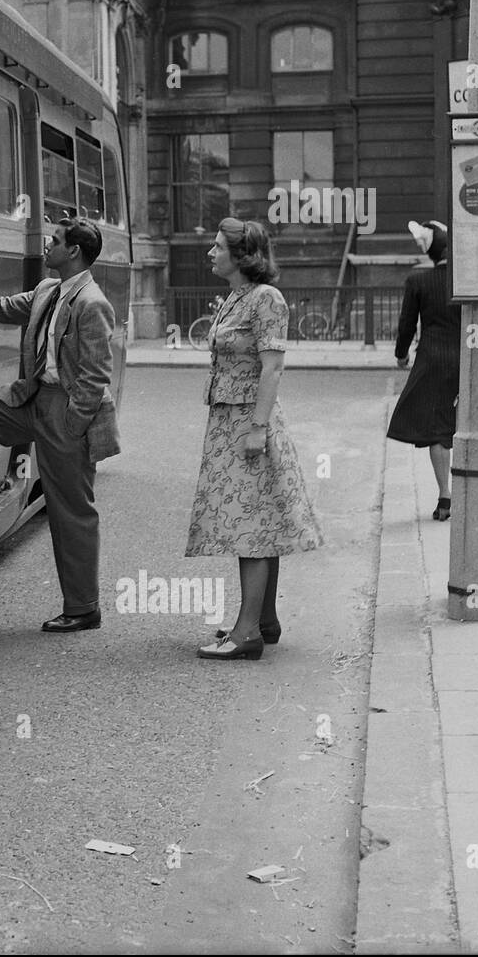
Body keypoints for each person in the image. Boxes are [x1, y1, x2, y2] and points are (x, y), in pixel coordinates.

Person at [0, 217, 120, 633]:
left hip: (67, 411)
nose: (46, 245)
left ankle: (82, 608)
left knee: (71, 512)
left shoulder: (92, 303)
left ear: (73, 251)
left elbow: (95, 377)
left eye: (54, 240)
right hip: (33, 399)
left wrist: (73, 427)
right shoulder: (46, 291)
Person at [188, 218, 324, 660]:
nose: (210, 253)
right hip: (231, 420)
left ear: (242, 256)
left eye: (217, 247)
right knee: (257, 521)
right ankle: (262, 620)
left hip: (250, 420)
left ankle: (246, 634)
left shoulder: (266, 298)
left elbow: (273, 366)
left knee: (250, 528)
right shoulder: (236, 296)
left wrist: (258, 429)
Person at [387, 220, 460, 519]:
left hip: (433, 361)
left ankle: (445, 495)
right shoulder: (465, 280)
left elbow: (407, 325)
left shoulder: (418, 281)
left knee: (439, 431)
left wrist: (401, 355)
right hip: (469, 357)